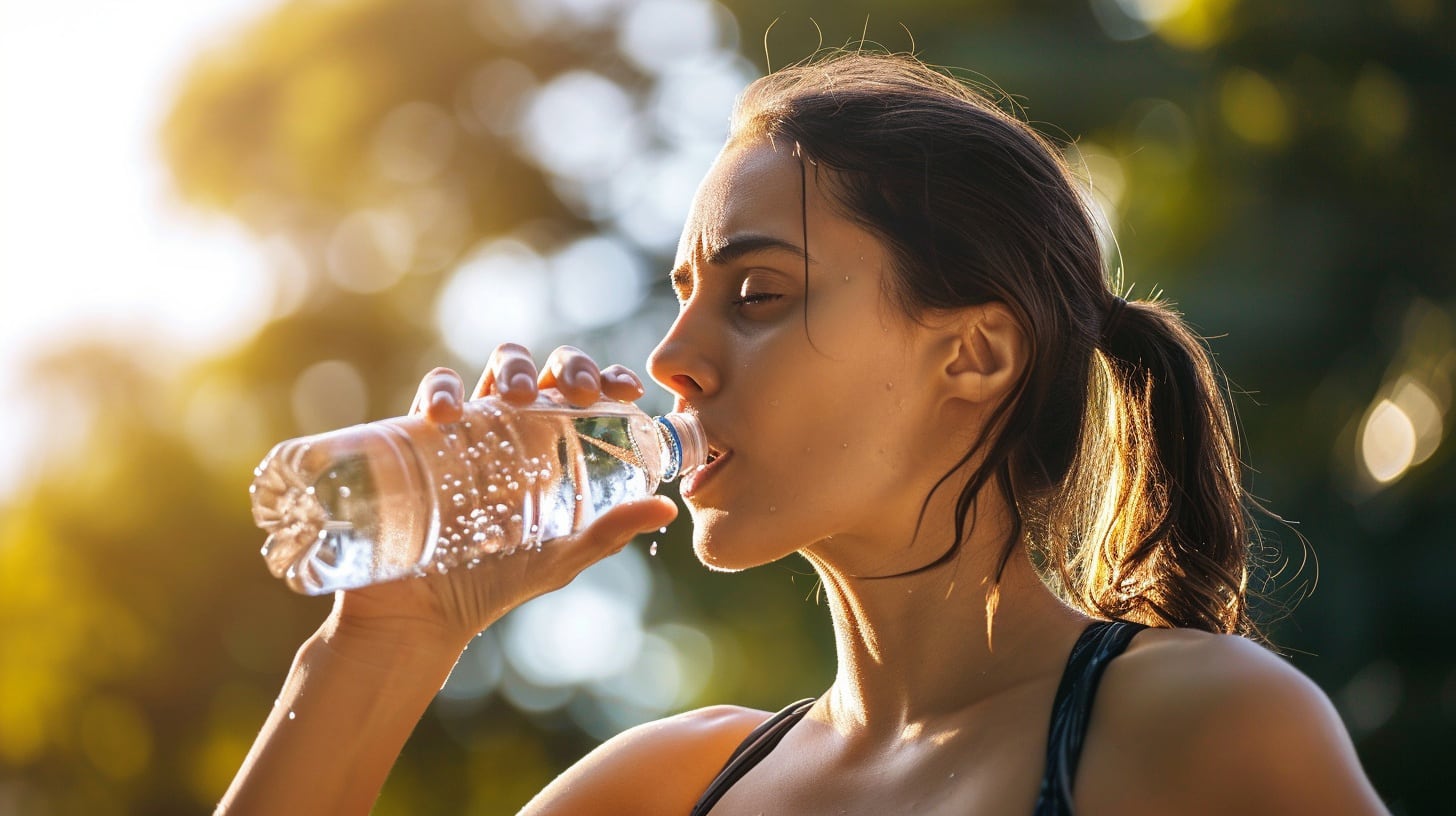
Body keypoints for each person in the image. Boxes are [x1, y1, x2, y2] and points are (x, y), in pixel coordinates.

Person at [218, 52, 1388, 815]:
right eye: (680, 292)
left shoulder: (1200, 729)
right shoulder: (664, 790)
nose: (670, 357)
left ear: (972, 353)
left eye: (757, 294)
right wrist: (390, 639)